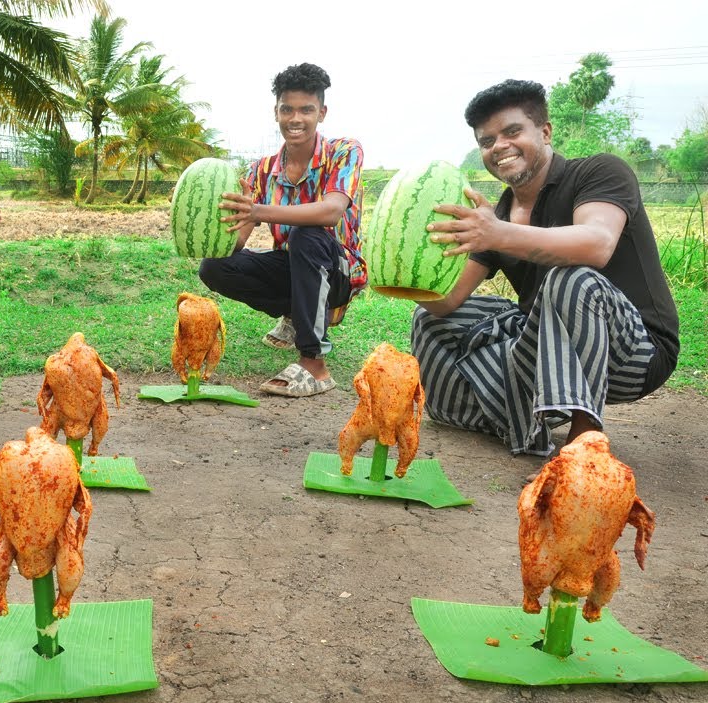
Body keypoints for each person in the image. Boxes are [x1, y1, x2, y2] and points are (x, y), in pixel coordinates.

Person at [412, 79, 679, 456]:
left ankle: (583, 443)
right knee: (429, 320)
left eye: (512, 131)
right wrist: (400, 276)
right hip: (546, 346)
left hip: (634, 353)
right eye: (487, 141)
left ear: (545, 131)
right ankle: (514, 415)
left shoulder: (599, 171)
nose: (499, 147)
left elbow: (596, 244)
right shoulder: (499, 214)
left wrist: (496, 233)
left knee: (572, 279)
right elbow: (449, 300)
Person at [199, 62, 366, 397]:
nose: (295, 119)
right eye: (287, 109)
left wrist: (259, 209)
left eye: (306, 110)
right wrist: (206, 215)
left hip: (338, 271)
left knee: (308, 235)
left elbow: (331, 212)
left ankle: (314, 364)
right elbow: (238, 239)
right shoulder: (261, 171)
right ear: (276, 112)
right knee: (214, 266)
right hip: (293, 265)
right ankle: (295, 314)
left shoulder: (344, 152)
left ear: (322, 112)